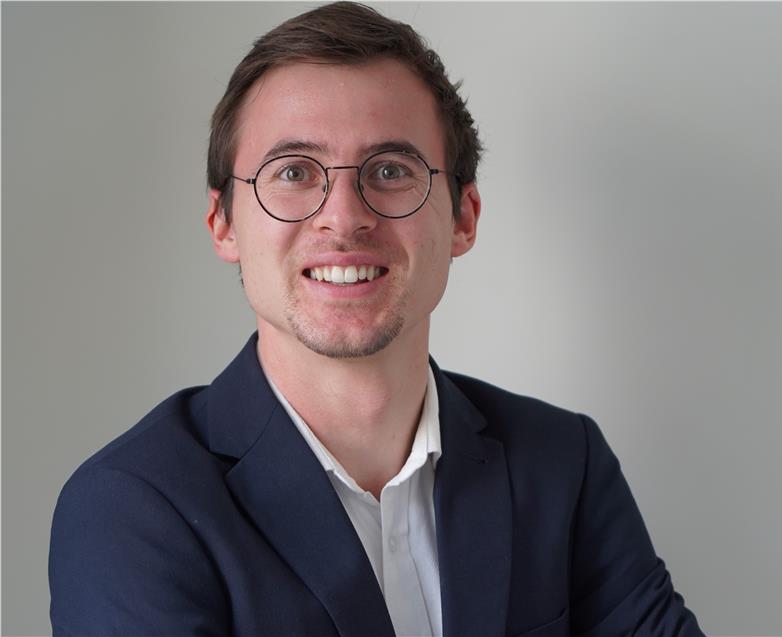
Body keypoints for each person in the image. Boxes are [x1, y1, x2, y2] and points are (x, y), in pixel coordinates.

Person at [49, 3, 704, 635]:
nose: (343, 217)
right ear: (223, 223)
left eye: (390, 170)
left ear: (463, 217)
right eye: (294, 172)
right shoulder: (131, 508)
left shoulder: (563, 464)